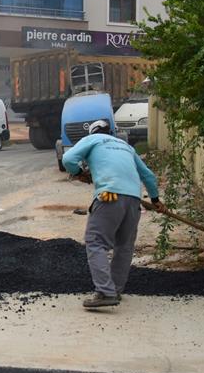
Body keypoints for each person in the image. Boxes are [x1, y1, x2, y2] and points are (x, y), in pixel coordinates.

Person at [62, 120, 166, 309]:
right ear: (111, 132)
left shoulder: (93, 139)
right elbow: (149, 176)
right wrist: (156, 200)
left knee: (95, 242)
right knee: (124, 246)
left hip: (110, 196)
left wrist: (79, 172)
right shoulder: (126, 147)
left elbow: (68, 159)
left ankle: (105, 292)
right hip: (134, 200)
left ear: (92, 132)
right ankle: (116, 289)